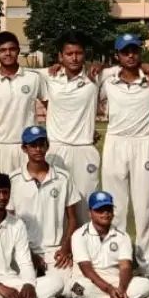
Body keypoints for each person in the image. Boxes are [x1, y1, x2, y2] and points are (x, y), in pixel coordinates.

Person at [99, 34, 149, 276]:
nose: (130, 55)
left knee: (145, 207)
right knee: (115, 208)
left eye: (134, 51)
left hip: (142, 144)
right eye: (125, 51)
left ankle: (145, 267)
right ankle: (117, 263)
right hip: (115, 142)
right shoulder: (107, 78)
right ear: (117, 55)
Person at [8, 126, 80, 298]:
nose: (38, 149)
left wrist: (66, 248)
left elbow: (72, 218)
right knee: (13, 283)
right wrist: (27, 253)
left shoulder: (63, 177)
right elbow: (8, 222)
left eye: (41, 144)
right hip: (23, 249)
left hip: (54, 250)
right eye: (33, 146)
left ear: (47, 146)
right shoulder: (14, 179)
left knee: (66, 289)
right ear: (24, 149)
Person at [43, 33, 102, 224]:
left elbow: (130, 67)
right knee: (54, 202)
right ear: (60, 56)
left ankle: (85, 249)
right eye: (69, 54)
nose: (74, 58)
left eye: (79, 53)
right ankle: (57, 249)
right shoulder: (48, 77)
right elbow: (16, 72)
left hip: (84, 148)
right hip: (56, 148)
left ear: (85, 55)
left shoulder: (95, 77)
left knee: (85, 203)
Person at [70, 191, 149, 298]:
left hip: (116, 281)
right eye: (100, 210)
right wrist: (109, 289)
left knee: (146, 284)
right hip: (89, 281)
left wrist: (121, 289)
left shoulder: (123, 236)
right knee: (76, 288)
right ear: (90, 213)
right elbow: (87, 270)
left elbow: (125, 266)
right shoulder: (79, 235)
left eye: (108, 209)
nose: (105, 213)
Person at [0, 32, 48, 177]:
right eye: (3, 50)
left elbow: (49, 106)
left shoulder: (34, 78)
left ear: (18, 50)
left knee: (28, 193)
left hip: (27, 146)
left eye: (12, 49)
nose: (8, 53)